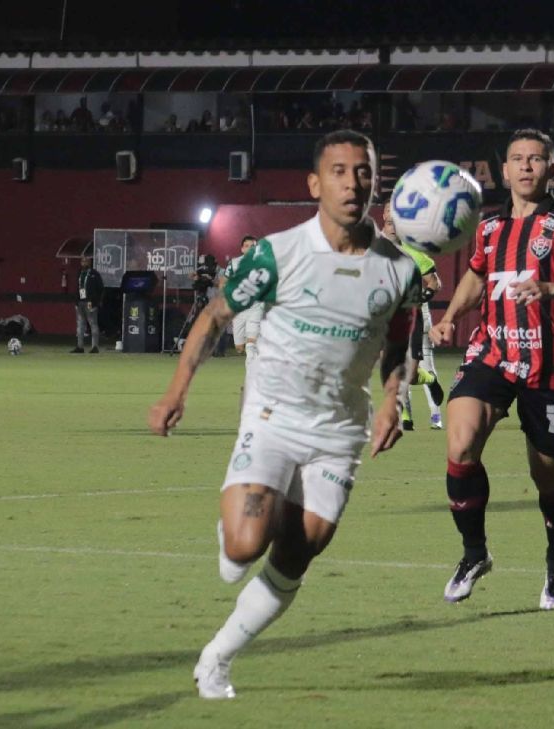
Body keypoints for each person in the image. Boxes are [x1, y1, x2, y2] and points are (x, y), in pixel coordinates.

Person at [149, 130, 420, 700]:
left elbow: (399, 345)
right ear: (315, 184)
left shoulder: (400, 270)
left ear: (376, 182)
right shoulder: (279, 254)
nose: (353, 182)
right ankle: (234, 533)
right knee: (246, 546)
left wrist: (393, 400)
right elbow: (214, 316)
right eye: (340, 172)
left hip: (340, 430)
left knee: (300, 552)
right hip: (273, 416)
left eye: (363, 172)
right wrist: (178, 391)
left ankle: (218, 657)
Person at [429, 129, 554, 609]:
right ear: (503, 171)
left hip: (546, 365)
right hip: (491, 351)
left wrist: (550, 289)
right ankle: (474, 553)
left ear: (552, 168)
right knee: (460, 443)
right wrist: (449, 318)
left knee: (548, 477)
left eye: (536, 159)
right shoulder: (488, 228)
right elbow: (475, 277)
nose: (526, 166)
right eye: (517, 159)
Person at [381, 215, 445, 430]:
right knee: (393, 369)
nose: (392, 228)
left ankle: (433, 400)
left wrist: (418, 299)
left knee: (417, 368)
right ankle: (405, 415)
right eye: (389, 224)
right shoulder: (376, 253)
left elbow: (434, 283)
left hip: (414, 316)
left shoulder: (414, 254)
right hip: (388, 319)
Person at [223, 236, 264, 362]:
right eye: (247, 246)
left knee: (251, 346)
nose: (250, 248)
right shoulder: (234, 263)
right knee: (240, 347)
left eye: (253, 246)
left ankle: (251, 380)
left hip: (256, 307)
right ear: (242, 249)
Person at [71, 256, 104, 354]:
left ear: (90, 262)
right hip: (80, 302)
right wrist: (76, 301)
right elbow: (77, 287)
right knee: (80, 325)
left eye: (86, 261)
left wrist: (96, 301)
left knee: (93, 324)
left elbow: (100, 288)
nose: (84, 263)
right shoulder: (80, 273)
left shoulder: (94, 274)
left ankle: (95, 347)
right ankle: (79, 346)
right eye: (82, 261)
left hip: (90, 303)